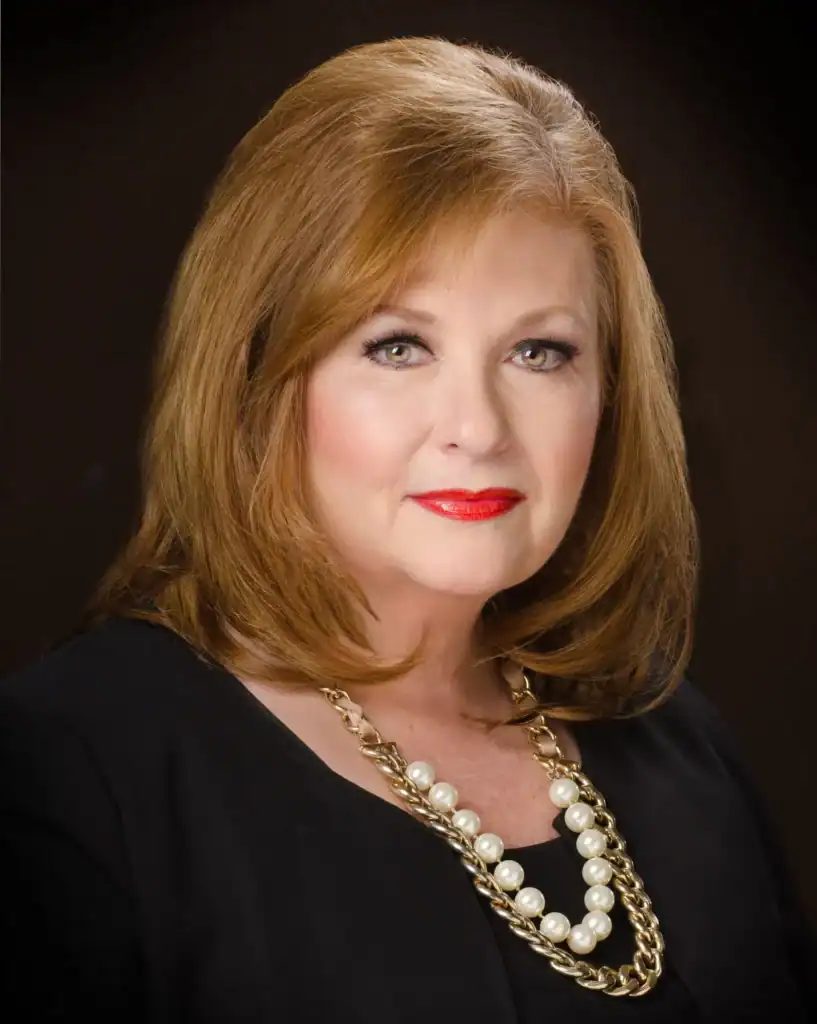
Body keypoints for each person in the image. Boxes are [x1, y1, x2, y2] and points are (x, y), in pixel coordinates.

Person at [1, 35, 813, 1023]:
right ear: (256, 381)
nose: (477, 427)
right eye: (397, 346)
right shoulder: (76, 769)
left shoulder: (677, 742)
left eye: (538, 351)